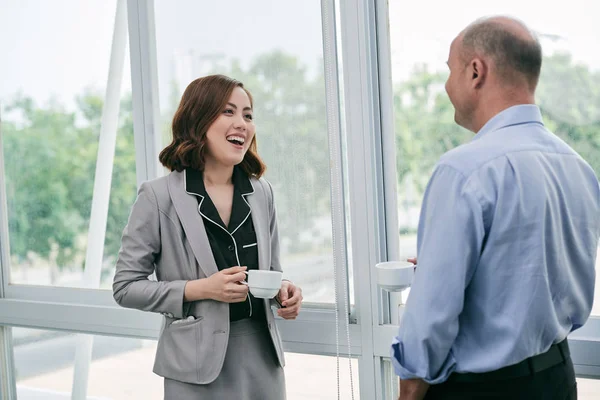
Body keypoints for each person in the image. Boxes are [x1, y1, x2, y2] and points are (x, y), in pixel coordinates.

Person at [391, 16, 600, 400]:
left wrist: (408, 392)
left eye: (449, 70)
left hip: (482, 390)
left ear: (475, 71)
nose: (446, 84)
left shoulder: (464, 170)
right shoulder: (580, 169)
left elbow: (428, 326)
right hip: (557, 380)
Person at [113, 74, 303, 400]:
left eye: (248, 114)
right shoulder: (158, 197)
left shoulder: (261, 193)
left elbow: (270, 271)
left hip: (262, 358)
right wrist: (202, 289)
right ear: (198, 120)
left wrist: (283, 291)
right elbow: (125, 287)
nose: (242, 123)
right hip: (194, 367)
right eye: (228, 112)